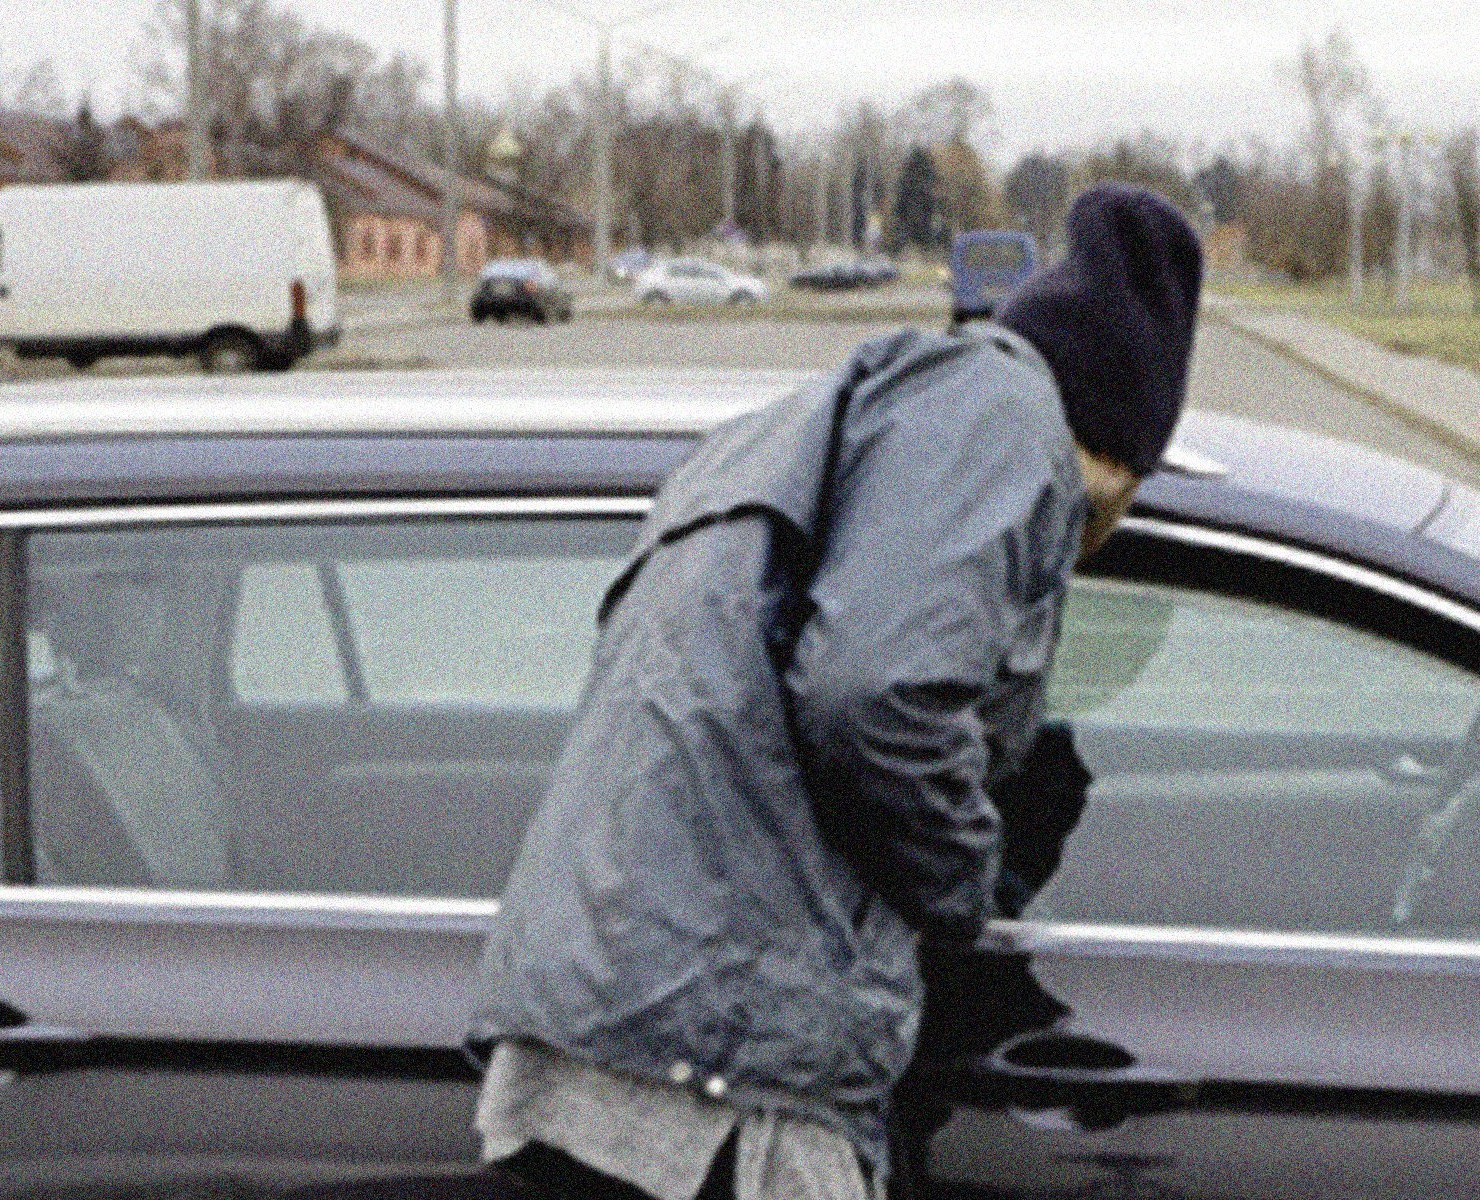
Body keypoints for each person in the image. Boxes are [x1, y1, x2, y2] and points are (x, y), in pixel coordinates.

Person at [463, 184, 1206, 1200]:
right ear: (1114, 452)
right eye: (1105, 512)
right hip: (720, 1074)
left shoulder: (830, 421)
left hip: (615, 1024)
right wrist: (968, 885)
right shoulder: (1004, 417)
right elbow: (874, 696)